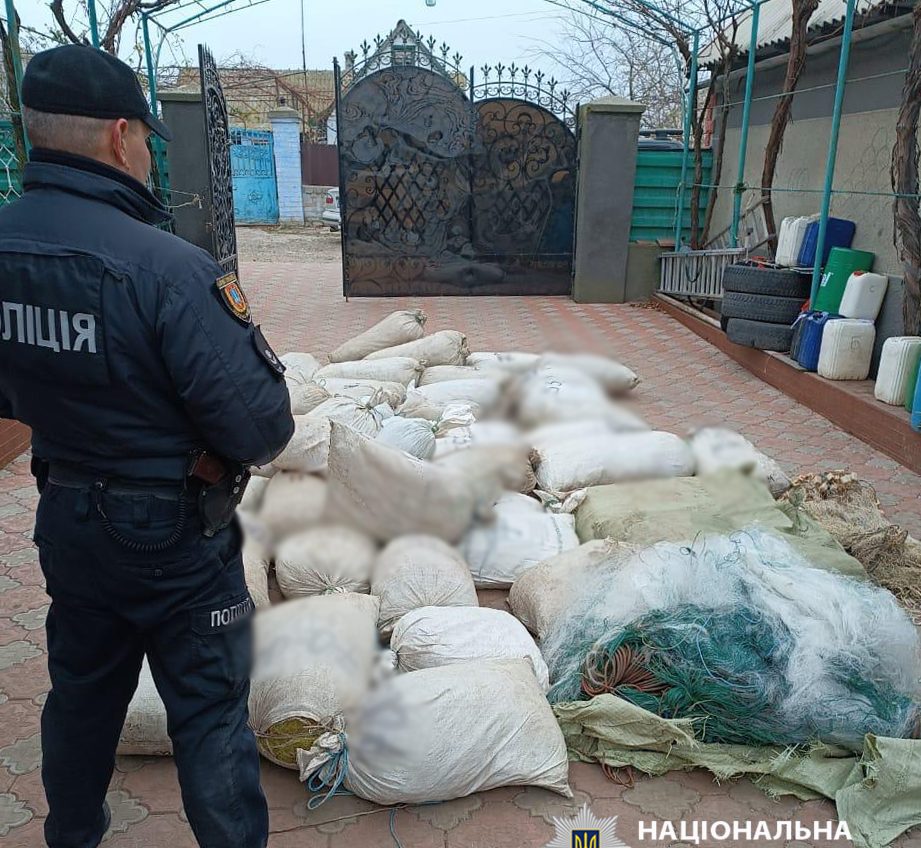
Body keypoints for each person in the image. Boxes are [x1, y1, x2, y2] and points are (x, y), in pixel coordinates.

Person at [0, 44, 294, 848]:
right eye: (147, 142)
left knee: (82, 695)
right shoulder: (165, 268)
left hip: (66, 515)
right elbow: (261, 428)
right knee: (207, 709)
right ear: (120, 135)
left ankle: (70, 836)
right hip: (172, 530)